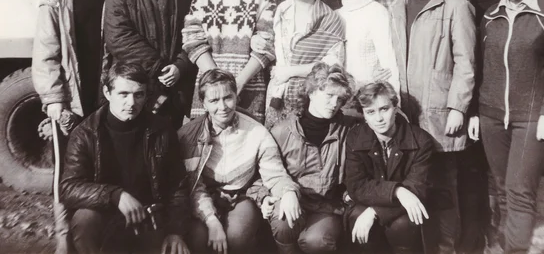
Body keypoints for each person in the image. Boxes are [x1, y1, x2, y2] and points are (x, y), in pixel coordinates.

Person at [471, 0, 544, 254]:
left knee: (520, 191)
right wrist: (475, 112)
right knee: (501, 189)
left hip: (531, 119)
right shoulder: (491, 15)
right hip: (491, 117)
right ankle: (506, 245)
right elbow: (480, 66)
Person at [389, 0, 476, 254]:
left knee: (442, 190)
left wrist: (458, 107)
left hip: (439, 112)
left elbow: (467, 60)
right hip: (408, 114)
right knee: (415, 190)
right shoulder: (401, 2)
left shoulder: (456, 4)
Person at [32, 0, 115, 254]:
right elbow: (45, 51)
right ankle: (64, 235)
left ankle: (102, 234)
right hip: (72, 99)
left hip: (107, 95)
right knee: (67, 171)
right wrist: (53, 98)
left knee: (109, 164)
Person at [60, 62, 190, 254]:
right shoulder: (85, 133)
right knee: (85, 219)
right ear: (107, 93)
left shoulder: (161, 129)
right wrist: (115, 195)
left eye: (139, 95)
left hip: (148, 216)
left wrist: (175, 231)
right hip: (105, 215)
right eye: (123, 94)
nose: (131, 103)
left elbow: (177, 185)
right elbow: (69, 187)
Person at [178, 69, 301, 254]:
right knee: (199, 238)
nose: (223, 106)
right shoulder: (189, 136)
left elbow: (274, 173)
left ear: (237, 96)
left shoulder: (256, 132)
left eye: (228, 97)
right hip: (204, 197)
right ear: (203, 103)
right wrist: (211, 219)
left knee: (237, 237)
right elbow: (194, 184)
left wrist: (288, 191)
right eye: (213, 100)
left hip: (242, 196)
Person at [103, 0, 194, 129]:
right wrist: (160, 68)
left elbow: (193, 34)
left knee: (166, 145)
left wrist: (180, 66)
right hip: (132, 85)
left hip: (172, 88)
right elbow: (118, 36)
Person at [182, 0, 276, 123]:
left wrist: (238, 83)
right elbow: (192, 39)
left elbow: (268, 41)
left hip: (248, 88)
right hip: (210, 89)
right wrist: (216, 82)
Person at [262, 63, 355, 254]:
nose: (334, 104)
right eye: (329, 96)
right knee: (282, 223)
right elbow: (263, 171)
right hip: (293, 198)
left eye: (339, 99)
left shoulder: (348, 130)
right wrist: (263, 197)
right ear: (311, 92)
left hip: (328, 206)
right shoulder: (282, 131)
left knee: (315, 241)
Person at [344, 81, 435, 254]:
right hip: (369, 201)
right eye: (370, 112)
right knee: (358, 220)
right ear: (363, 115)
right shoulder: (355, 138)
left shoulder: (421, 141)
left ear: (395, 107)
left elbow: (417, 188)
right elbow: (356, 186)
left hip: (403, 209)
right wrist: (397, 191)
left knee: (402, 225)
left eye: (384, 109)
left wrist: (375, 211)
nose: (378, 118)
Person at [455, 0, 503, 252]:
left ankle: (498, 233)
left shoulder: (502, 2)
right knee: (471, 173)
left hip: (498, 102)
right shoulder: (465, 2)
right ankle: (475, 237)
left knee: (499, 173)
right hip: (475, 102)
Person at [264, 0, 345, 129]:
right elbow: (274, 46)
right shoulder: (282, 11)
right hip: (279, 92)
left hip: (313, 96)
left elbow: (333, 64)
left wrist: (290, 71)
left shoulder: (329, 18)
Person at [336, 0, 400, 105]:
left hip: (369, 98)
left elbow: (389, 63)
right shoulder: (336, 15)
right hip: (341, 100)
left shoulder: (377, 12)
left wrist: (396, 105)